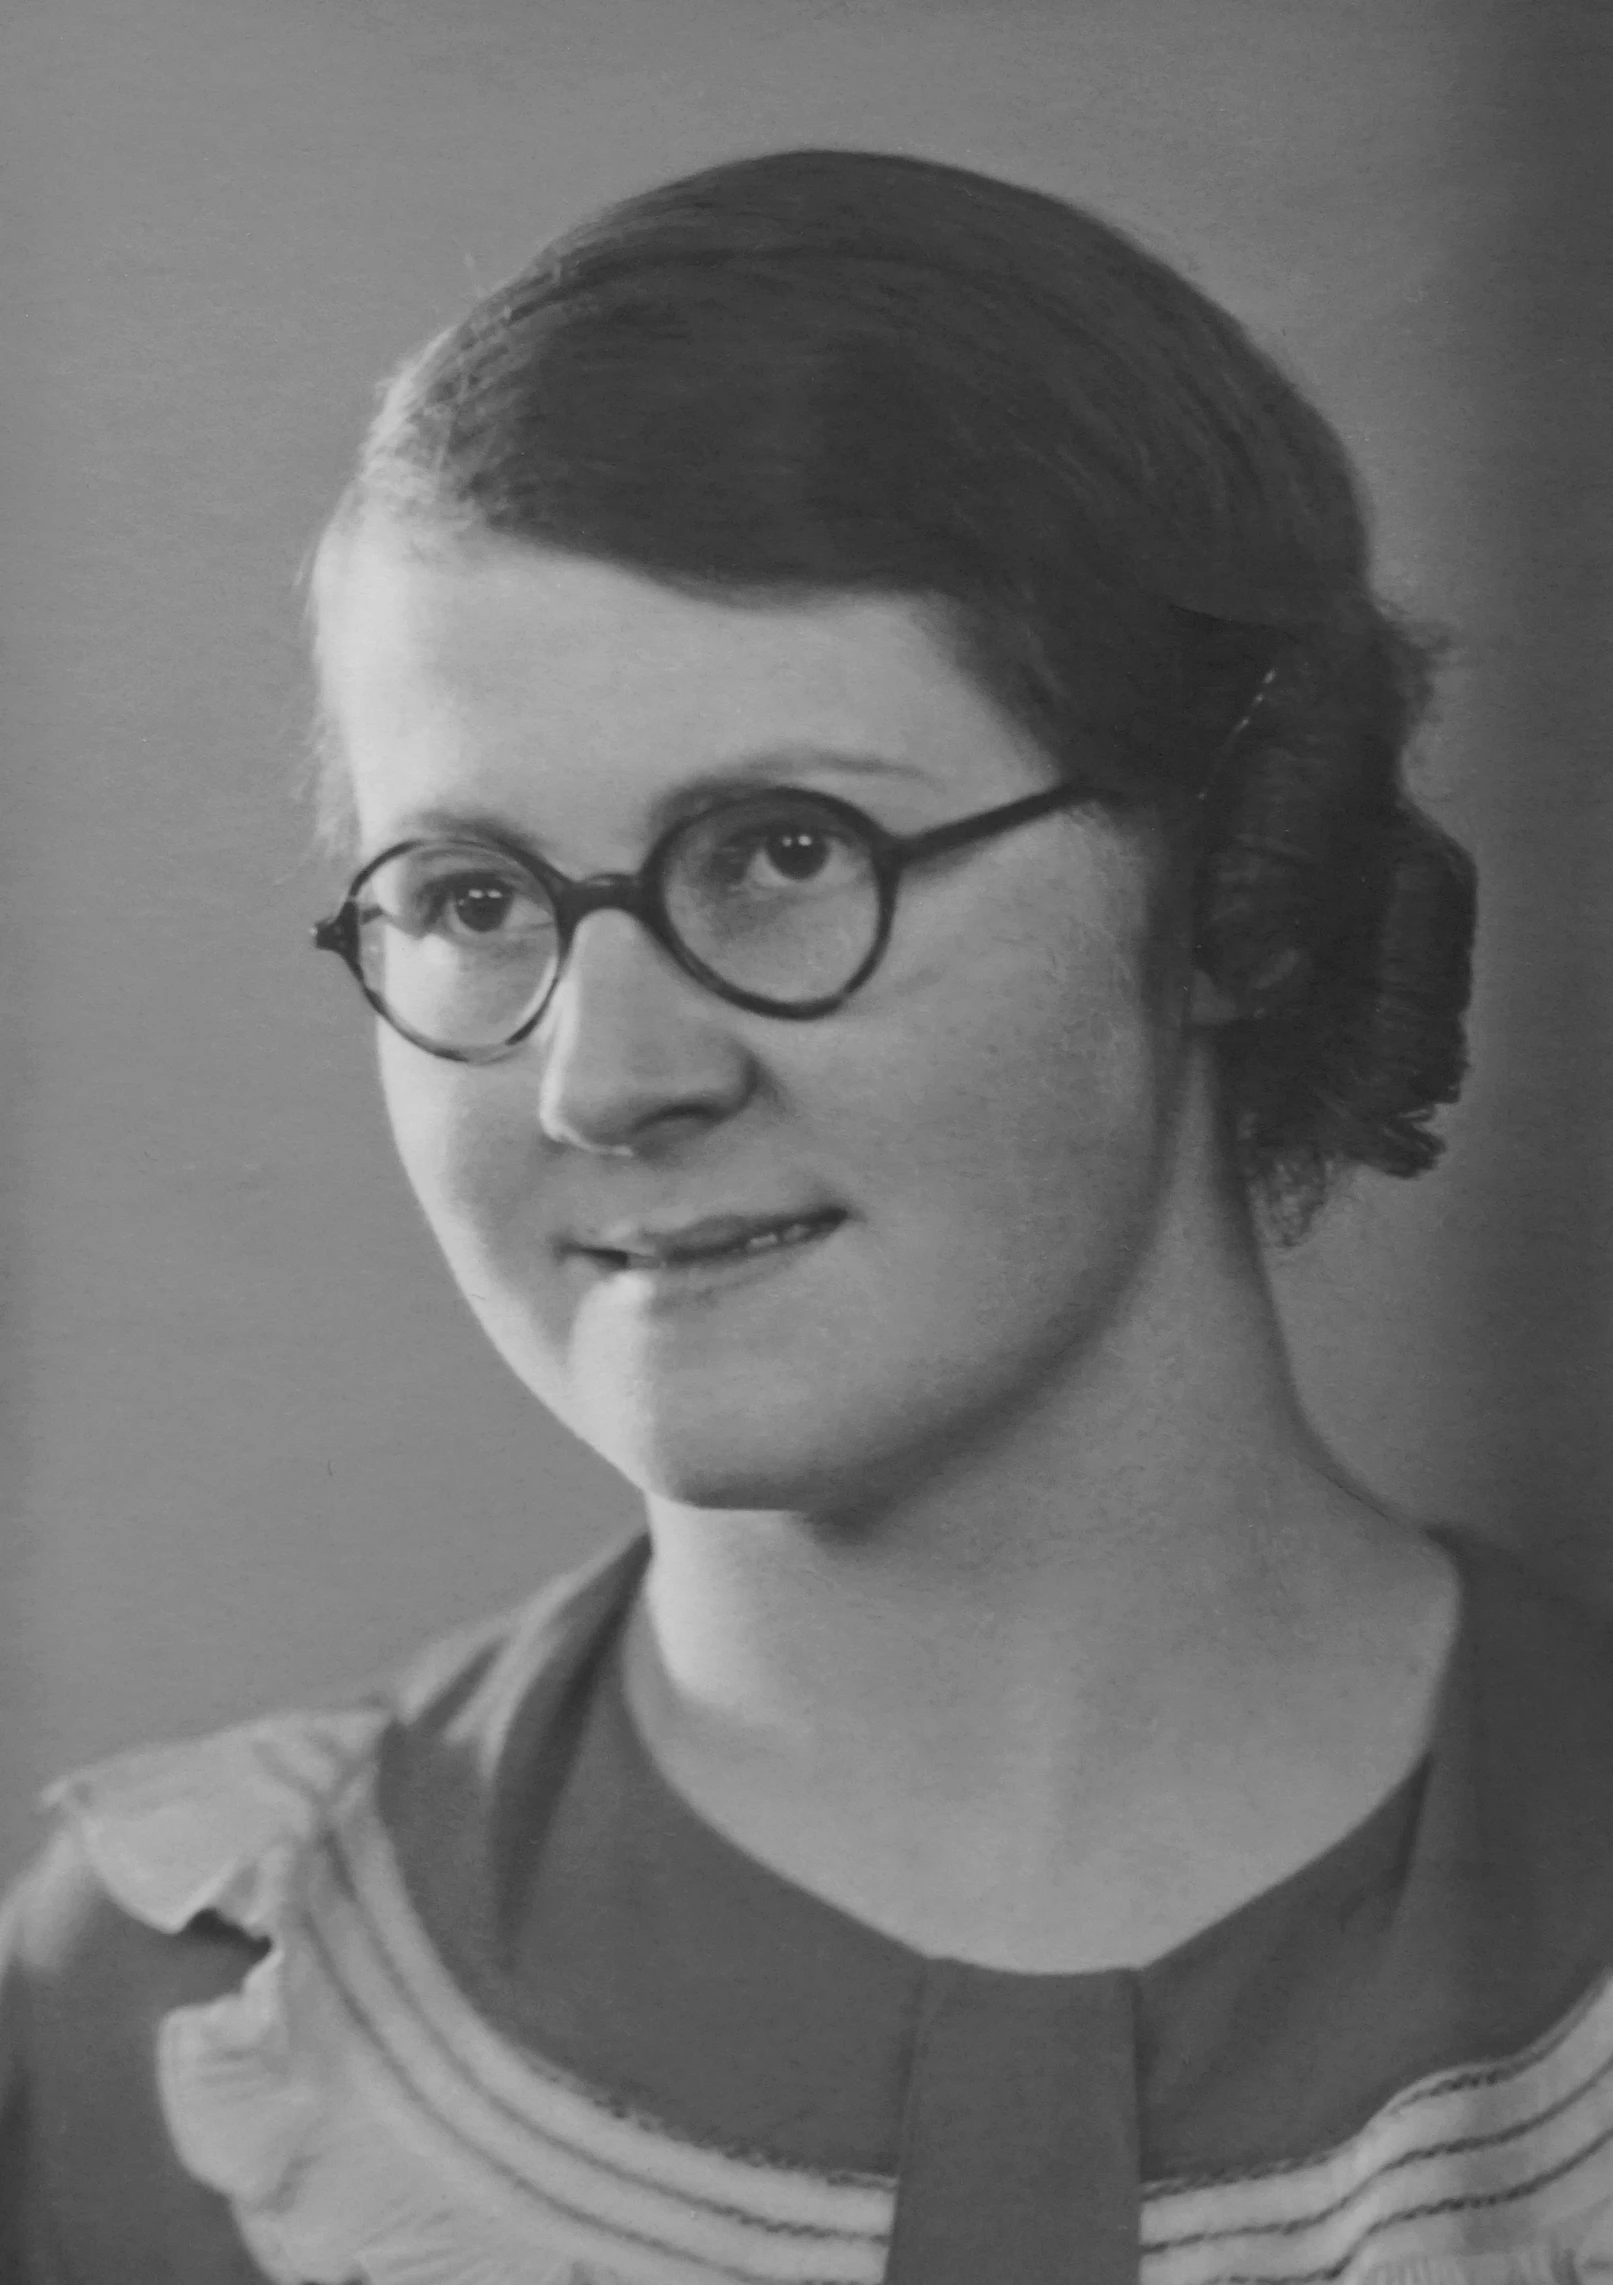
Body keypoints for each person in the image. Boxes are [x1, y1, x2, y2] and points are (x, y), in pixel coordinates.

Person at [1, 145, 1608, 2285]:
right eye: (472, 900)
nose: (602, 1075)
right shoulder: (166, 2021)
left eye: (778, 848)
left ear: (1229, 878)